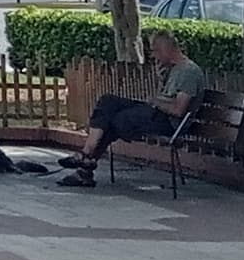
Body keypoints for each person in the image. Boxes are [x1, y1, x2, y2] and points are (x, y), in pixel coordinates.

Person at [57, 34, 214, 185]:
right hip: (156, 114)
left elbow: (178, 110)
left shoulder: (189, 72)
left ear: (164, 49)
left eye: (154, 51)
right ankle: (87, 154)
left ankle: (85, 164)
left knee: (113, 121)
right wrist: (161, 81)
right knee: (108, 102)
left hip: (169, 123)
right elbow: (167, 98)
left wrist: (154, 101)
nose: (154, 57)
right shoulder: (174, 69)